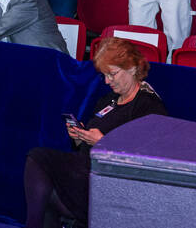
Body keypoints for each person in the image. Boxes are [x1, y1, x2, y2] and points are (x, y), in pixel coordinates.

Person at [23, 37, 167, 227]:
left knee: (39, 160)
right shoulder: (108, 100)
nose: (107, 81)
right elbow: (87, 142)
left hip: (112, 182)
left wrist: (104, 142)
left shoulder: (148, 106)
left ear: (132, 69)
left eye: (112, 74)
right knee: (44, 183)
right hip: (85, 170)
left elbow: (148, 159)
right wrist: (79, 137)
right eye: (105, 75)